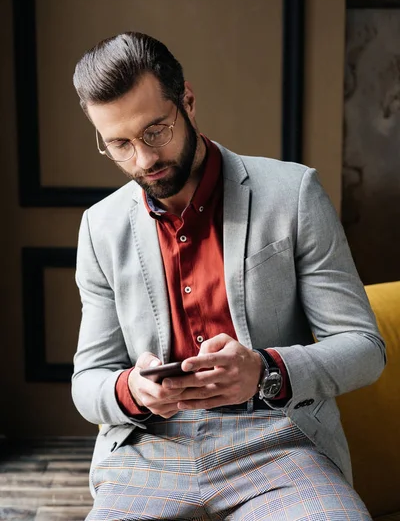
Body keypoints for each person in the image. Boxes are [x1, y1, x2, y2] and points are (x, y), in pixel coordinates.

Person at [71, 31, 385, 521]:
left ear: (188, 102)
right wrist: (133, 389)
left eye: (155, 131)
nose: (144, 159)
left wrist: (265, 369)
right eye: (120, 144)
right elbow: (87, 380)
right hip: (147, 454)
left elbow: (365, 347)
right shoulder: (100, 227)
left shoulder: (293, 193)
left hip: (279, 444)